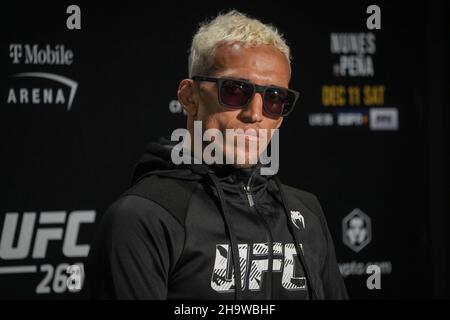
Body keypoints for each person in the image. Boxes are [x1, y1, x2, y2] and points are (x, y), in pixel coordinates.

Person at [86, 10, 348, 300]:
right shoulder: (144, 218)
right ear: (190, 97)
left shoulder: (306, 212)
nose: (255, 114)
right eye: (235, 90)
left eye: (275, 99)